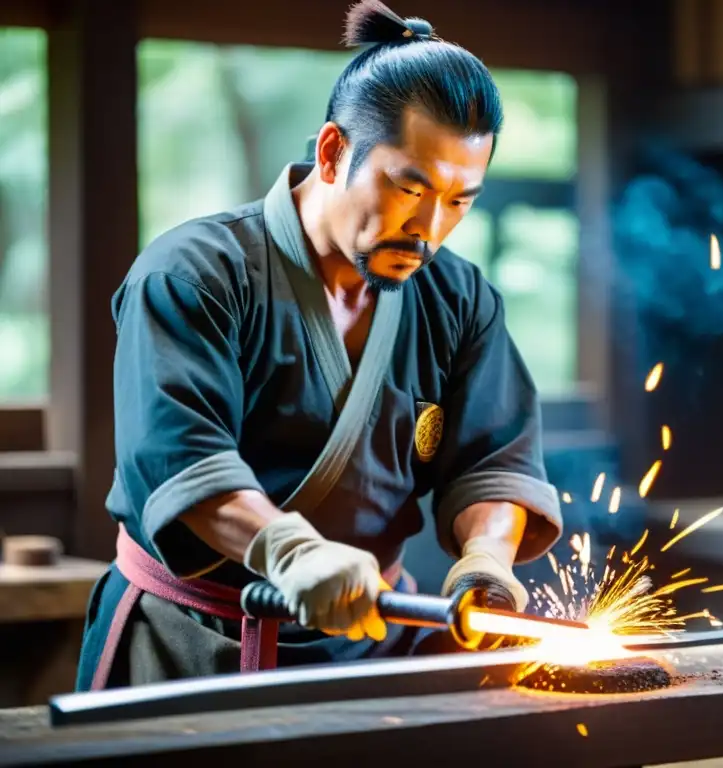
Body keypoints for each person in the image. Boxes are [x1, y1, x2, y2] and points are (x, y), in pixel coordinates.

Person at [75, 0, 562, 690]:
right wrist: (289, 550)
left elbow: (493, 460)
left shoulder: (460, 299)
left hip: (374, 645)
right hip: (192, 644)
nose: (429, 227)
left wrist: (486, 557)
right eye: (409, 186)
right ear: (333, 151)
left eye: (460, 200)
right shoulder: (192, 273)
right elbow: (179, 460)